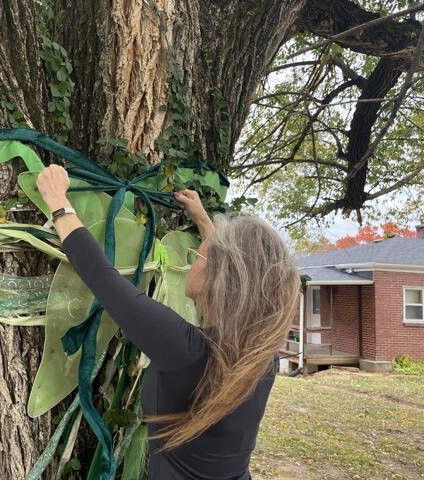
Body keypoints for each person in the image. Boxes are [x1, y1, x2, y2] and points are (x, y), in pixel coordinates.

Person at [36, 165, 300, 480]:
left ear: (218, 277)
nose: (193, 258)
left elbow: (103, 278)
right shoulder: (260, 354)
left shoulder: (184, 350)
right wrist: (203, 220)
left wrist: (57, 201)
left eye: (198, 254)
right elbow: (238, 270)